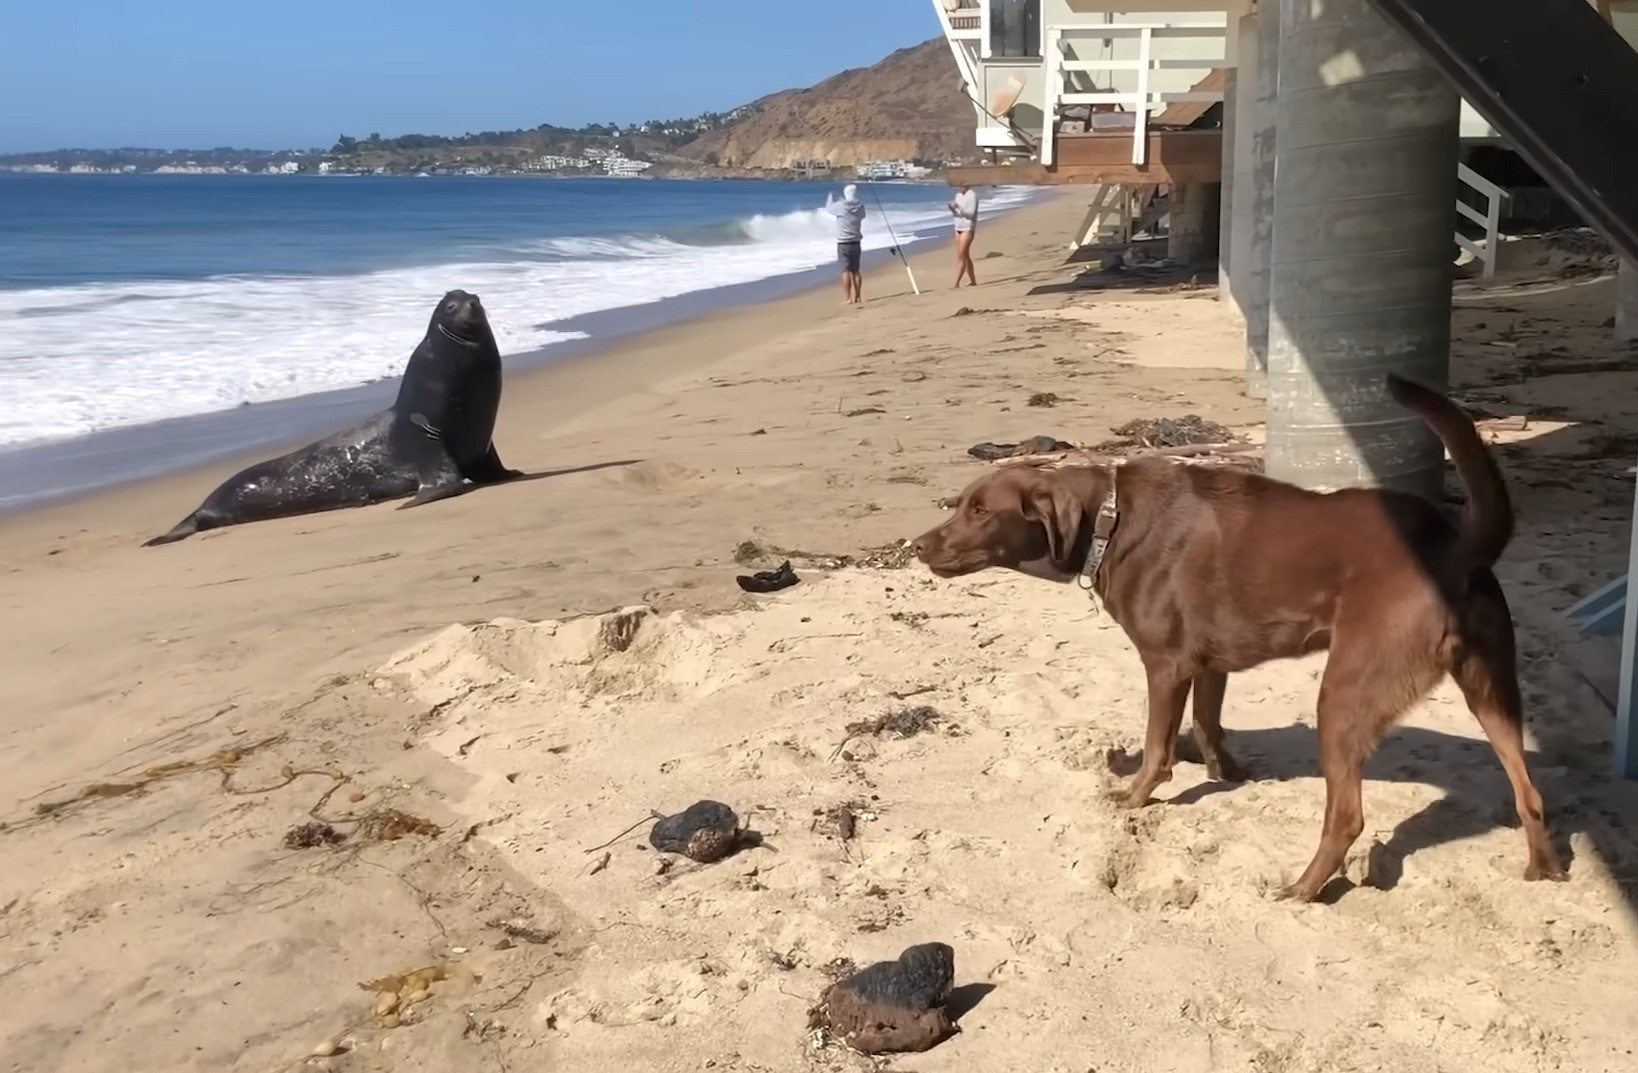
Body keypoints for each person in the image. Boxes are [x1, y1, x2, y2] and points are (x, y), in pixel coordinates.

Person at [825, 183, 867, 305]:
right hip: (856, 241)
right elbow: (862, 216)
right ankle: (858, 296)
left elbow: (828, 208)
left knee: (845, 271)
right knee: (856, 271)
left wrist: (831, 196)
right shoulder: (860, 206)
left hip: (843, 242)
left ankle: (848, 298)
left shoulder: (841, 206)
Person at [948, 181, 980, 287]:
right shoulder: (958, 195)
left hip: (968, 227)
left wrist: (959, 207)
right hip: (958, 227)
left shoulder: (972, 195)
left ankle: (956, 282)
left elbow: (971, 213)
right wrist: (952, 208)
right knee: (964, 255)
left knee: (962, 255)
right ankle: (973, 280)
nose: (959, 187)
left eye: (962, 184)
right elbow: (956, 213)